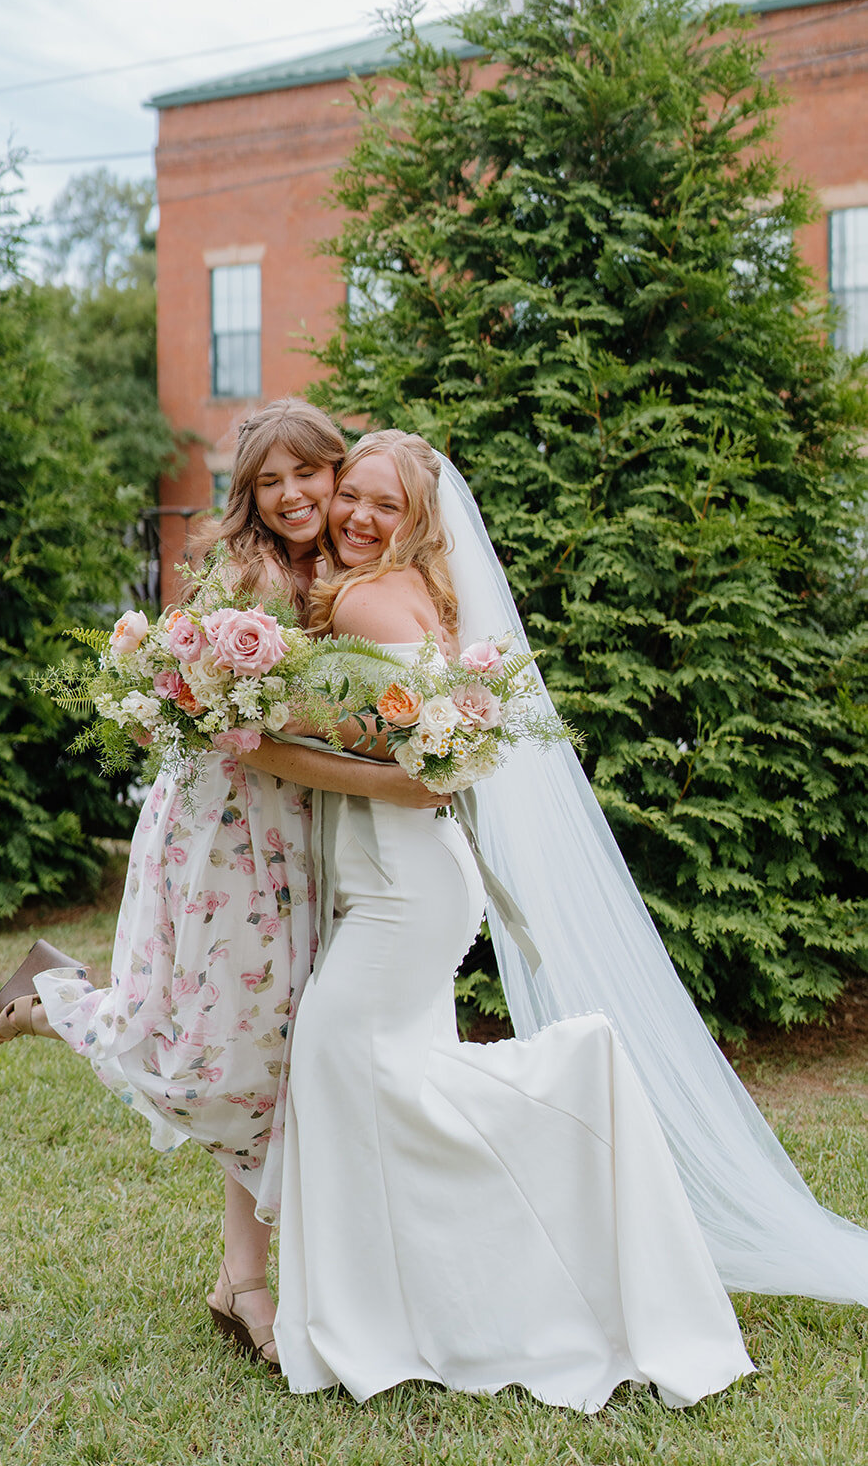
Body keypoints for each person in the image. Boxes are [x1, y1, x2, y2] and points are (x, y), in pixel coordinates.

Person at [260, 431, 756, 1410]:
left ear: (418, 520)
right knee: (390, 1096)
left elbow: (420, 777)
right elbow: (414, 746)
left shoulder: (367, 599)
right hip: (411, 884)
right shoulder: (411, 593)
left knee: (359, 1076)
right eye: (348, 494)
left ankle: (575, 1094)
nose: (357, 516)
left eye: (382, 506)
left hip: (403, 887)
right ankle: (426, 1308)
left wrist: (264, 749)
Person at [0, 400, 440, 1371]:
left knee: (270, 1060)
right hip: (225, 842)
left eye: (307, 476)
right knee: (206, 1058)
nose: (293, 497)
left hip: (301, 834)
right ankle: (52, 1000)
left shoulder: (346, 571)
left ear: (334, 471)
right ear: (248, 495)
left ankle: (242, 1282)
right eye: (268, 482)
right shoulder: (244, 575)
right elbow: (179, 708)